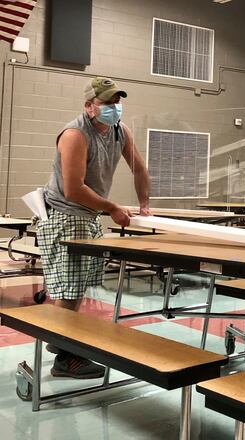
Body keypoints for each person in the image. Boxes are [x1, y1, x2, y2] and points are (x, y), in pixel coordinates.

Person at [38, 77, 151, 379]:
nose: (114, 108)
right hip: (66, 214)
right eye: (107, 103)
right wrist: (113, 208)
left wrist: (145, 204)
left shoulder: (120, 131)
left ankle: (61, 342)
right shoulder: (75, 135)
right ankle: (64, 356)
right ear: (90, 107)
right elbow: (74, 189)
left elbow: (139, 167)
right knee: (70, 289)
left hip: (87, 216)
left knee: (77, 288)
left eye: (117, 102)